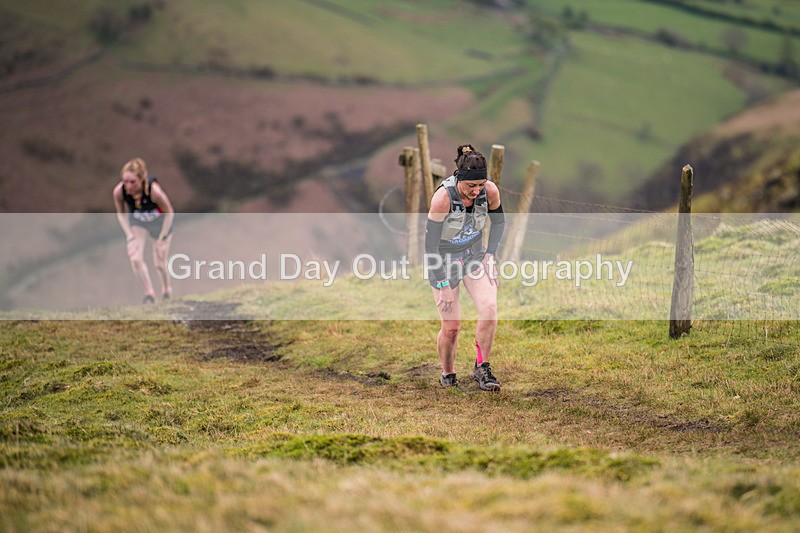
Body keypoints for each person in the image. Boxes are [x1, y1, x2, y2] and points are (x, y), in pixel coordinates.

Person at [425, 144, 505, 391]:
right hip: (444, 261)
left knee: (490, 309)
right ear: (459, 178)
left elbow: (499, 223)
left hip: (474, 255)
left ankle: (482, 368)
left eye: (480, 184)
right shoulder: (442, 199)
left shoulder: (489, 191)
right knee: (451, 327)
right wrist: (442, 285)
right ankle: (448, 374)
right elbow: (430, 247)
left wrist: (490, 254)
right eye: (471, 186)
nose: (476, 191)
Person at [112, 157, 175, 304]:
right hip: (138, 222)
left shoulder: (154, 192)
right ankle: (149, 294)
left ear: (142, 180)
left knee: (159, 263)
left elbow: (170, 213)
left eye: (132, 182)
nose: (128, 186)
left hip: (160, 224)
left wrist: (162, 238)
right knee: (135, 258)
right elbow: (121, 215)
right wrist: (129, 237)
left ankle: (166, 290)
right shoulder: (119, 192)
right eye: (125, 181)